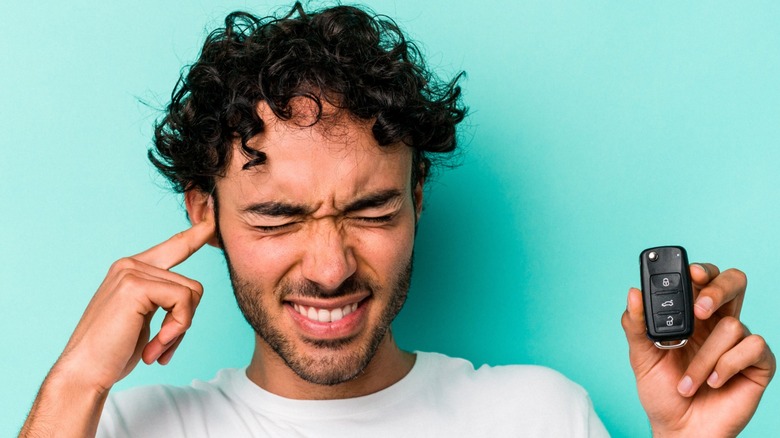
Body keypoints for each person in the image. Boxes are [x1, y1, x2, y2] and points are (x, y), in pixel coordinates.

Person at [20, 3, 775, 437]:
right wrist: (75, 382)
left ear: (417, 198)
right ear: (204, 213)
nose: (329, 266)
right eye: (278, 218)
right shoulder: (119, 430)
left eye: (372, 209)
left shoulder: (535, 416)